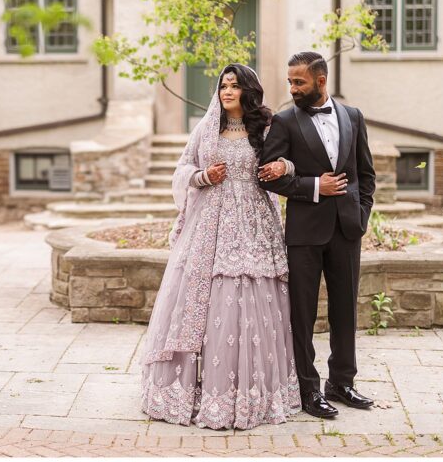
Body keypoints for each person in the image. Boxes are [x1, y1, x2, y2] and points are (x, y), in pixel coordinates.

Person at [141, 64, 301, 430]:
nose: (227, 91)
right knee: (206, 301)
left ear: (248, 90)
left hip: (255, 225)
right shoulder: (206, 128)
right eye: (223, 85)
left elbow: (293, 164)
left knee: (252, 299)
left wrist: (282, 166)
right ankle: (198, 391)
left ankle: (254, 391)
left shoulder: (268, 126)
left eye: (234, 85)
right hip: (208, 225)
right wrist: (203, 176)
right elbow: (182, 168)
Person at [258, 51, 375, 420]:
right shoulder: (284, 121)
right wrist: (313, 186)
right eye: (290, 81)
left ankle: (341, 382)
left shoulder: (353, 116)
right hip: (305, 233)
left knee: (345, 310)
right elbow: (268, 174)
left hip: (346, 229)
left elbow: (365, 174)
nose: (292, 88)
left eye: (299, 82)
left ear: (320, 81)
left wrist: (361, 214)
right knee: (302, 314)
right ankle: (308, 389)